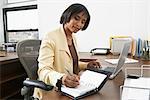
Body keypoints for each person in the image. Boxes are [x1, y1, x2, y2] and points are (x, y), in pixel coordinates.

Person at [34, 3, 100, 99]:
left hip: (71, 89)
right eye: (76, 18)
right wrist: (62, 78)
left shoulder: (73, 38)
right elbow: (43, 71)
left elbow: (69, 63)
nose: (79, 24)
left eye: (83, 21)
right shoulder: (51, 37)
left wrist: (87, 65)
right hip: (53, 90)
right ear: (67, 15)